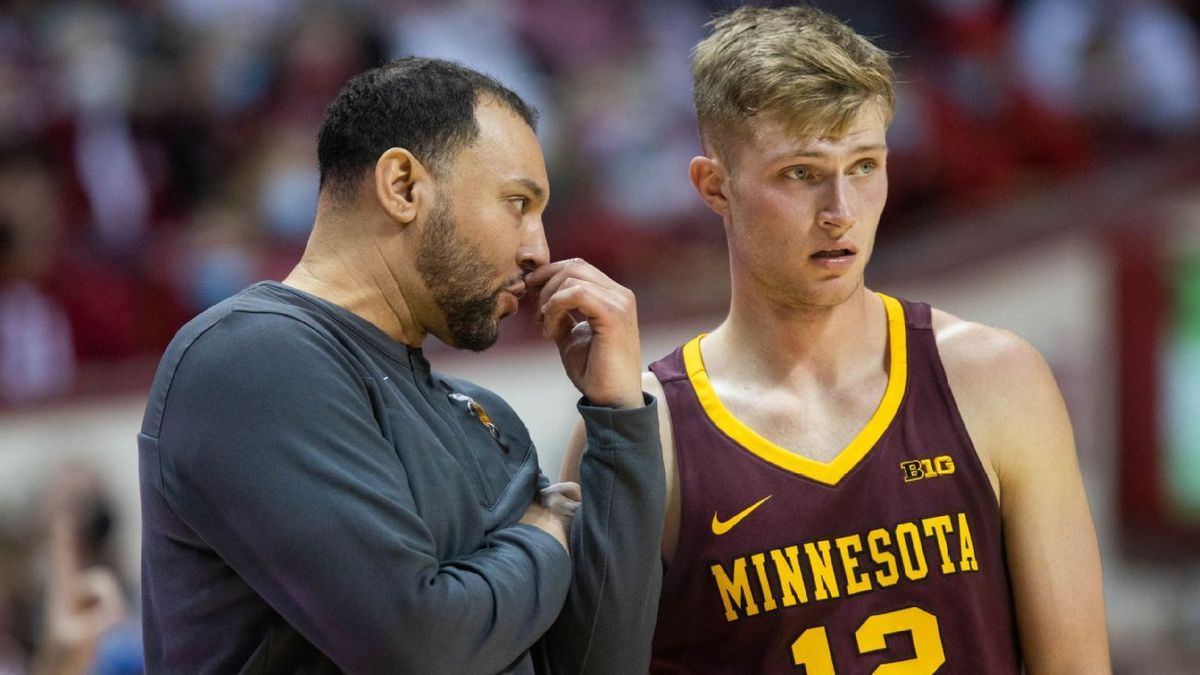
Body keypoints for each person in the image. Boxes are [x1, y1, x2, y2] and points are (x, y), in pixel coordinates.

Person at [562, 6, 1110, 673]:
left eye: (864, 165)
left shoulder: (998, 378)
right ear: (714, 186)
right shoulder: (646, 429)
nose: (840, 211)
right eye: (801, 173)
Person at [139, 57, 665, 673]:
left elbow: (605, 661)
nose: (539, 251)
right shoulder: (248, 360)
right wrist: (546, 531)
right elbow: (422, 647)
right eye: (517, 202)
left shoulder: (484, 416)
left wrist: (618, 415)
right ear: (403, 187)